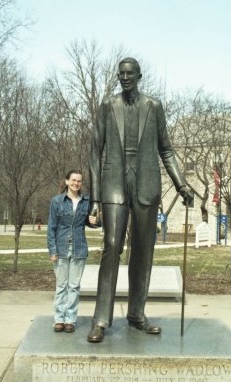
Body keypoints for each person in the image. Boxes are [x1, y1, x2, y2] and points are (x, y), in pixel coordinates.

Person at [87, 57, 193, 343]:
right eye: (120, 74)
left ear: (139, 75)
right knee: (112, 246)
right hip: (114, 185)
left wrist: (181, 184)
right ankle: (100, 319)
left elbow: (166, 150)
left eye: (129, 73)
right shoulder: (109, 106)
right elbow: (95, 151)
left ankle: (137, 314)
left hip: (146, 183)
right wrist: (94, 197)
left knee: (143, 251)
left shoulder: (154, 107)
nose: (125, 78)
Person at [47, 169, 96, 333]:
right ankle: (59, 319)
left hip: (79, 248)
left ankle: (70, 320)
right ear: (67, 181)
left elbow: (92, 223)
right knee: (61, 286)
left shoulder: (86, 201)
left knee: (74, 286)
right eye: (73, 180)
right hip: (61, 248)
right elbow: (51, 228)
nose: (76, 183)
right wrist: (52, 250)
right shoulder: (57, 201)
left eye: (79, 181)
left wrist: (96, 220)